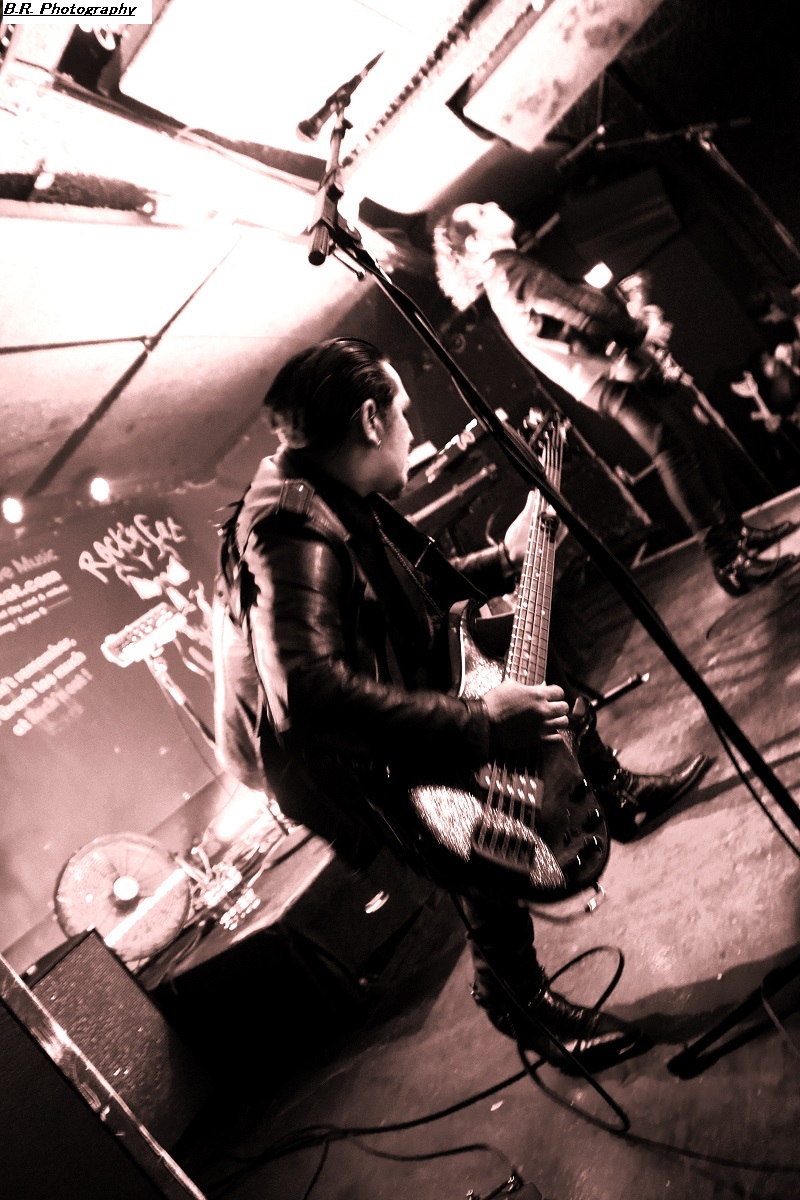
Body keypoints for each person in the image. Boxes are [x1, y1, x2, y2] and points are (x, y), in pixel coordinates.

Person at [212, 338, 709, 1071]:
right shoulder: (291, 531)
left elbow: (402, 596)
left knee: (522, 681)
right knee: (472, 831)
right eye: (403, 411)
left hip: (361, 692)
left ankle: (614, 795)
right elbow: (309, 698)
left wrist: (506, 558)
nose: (412, 428)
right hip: (324, 756)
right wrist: (480, 722)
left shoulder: (331, 486)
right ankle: (517, 999)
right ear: (371, 419)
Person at [432, 203, 798, 596]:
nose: (493, 205)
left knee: (690, 440)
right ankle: (727, 560)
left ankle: (736, 535)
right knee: (675, 451)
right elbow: (577, 308)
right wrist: (638, 331)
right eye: (482, 212)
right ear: (474, 242)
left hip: (602, 373)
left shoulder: (504, 275)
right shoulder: (508, 269)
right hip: (609, 374)